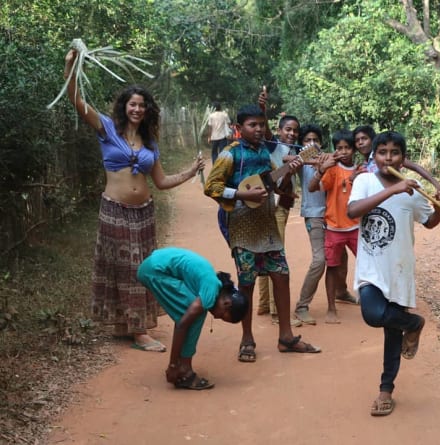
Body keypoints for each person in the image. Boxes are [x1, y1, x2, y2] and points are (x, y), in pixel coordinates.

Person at [64, 49, 205, 352]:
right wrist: (71, 66)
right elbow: (77, 100)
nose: (137, 109)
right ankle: (138, 330)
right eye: (132, 104)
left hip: (143, 213)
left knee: (142, 267)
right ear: (124, 107)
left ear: (147, 110)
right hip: (114, 210)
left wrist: (191, 172)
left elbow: (162, 182)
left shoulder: (150, 143)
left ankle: (130, 324)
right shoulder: (106, 129)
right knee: (123, 267)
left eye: (142, 105)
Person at [204, 104, 321, 362]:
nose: (258, 129)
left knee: (282, 275)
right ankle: (247, 339)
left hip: (267, 225)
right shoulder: (229, 154)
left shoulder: (267, 156)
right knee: (246, 282)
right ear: (239, 128)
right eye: (252, 125)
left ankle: (286, 337)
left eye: (261, 125)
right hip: (243, 226)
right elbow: (211, 187)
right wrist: (241, 194)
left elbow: (276, 186)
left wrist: (287, 174)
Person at [348, 131, 440, 416]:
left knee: (392, 334)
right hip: (371, 270)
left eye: (394, 153)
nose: (388, 158)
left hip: (399, 272)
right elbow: (352, 211)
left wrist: (439, 206)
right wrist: (392, 189)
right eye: (382, 153)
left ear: (403, 158)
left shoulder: (413, 193)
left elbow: (430, 222)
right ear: (373, 156)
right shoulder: (365, 181)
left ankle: (385, 390)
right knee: (372, 314)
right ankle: (413, 324)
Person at [137, 247, 249, 390]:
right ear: (226, 303)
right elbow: (182, 324)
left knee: (194, 311)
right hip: (153, 271)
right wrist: (172, 364)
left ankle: (183, 365)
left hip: (153, 265)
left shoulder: (212, 283)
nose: (215, 316)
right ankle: (184, 369)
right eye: (221, 315)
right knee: (192, 313)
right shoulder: (212, 289)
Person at [293, 124, 356, 325]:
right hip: (315, 215)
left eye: (315, 140)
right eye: (306, 140)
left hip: (335, 217)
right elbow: (294, 162)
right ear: (300, 144)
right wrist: (320, 164)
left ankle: (341, 291)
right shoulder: (301, 159)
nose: (311, 144)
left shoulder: (332, 159)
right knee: (320, 260)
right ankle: (302, 305)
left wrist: (331, 157)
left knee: (341, 257)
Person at [256, 110, 302, 327]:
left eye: (295, 130)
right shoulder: (273, 146)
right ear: (278, 131)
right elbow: (273, 178)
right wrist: (262, 107)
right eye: (288, 129)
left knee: (265, 253)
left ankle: (264, 304)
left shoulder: (293, 150)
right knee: (276, 256)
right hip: (275, 207)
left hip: (279, 205)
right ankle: (277, 312)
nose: (292, 134)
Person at [352, 125, 440, 203]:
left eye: (364, 139)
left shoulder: (389, 157)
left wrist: (437, 185)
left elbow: (416, 167)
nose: (360, 143)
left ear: (373, 140)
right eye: (357, 140)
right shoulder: (362, 166)